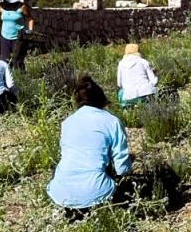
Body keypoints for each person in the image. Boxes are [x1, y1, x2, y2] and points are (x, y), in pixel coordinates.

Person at [46, 76, 132, 211]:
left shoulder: (67, 122)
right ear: (101, 99)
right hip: (98, 193)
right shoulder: (111, 121)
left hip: (61, 194)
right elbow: (122, 169)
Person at [0, 0, 34, 70]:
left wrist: (30, 30)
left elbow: (30, 18)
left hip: (19, 37)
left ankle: (20, 79)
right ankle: (7, 80)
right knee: (4, 61)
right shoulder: (1, 6)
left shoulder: (22, 7)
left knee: (18, 61)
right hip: (5, 36)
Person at [115, 43, 158, 108]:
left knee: (121, 92)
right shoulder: (143, 61)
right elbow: (154, 82)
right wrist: (155, 74)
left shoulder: (121, 64)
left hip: (129, 96)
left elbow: (119, 84)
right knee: (153, 89)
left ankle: (126, 110)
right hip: (146, 94)